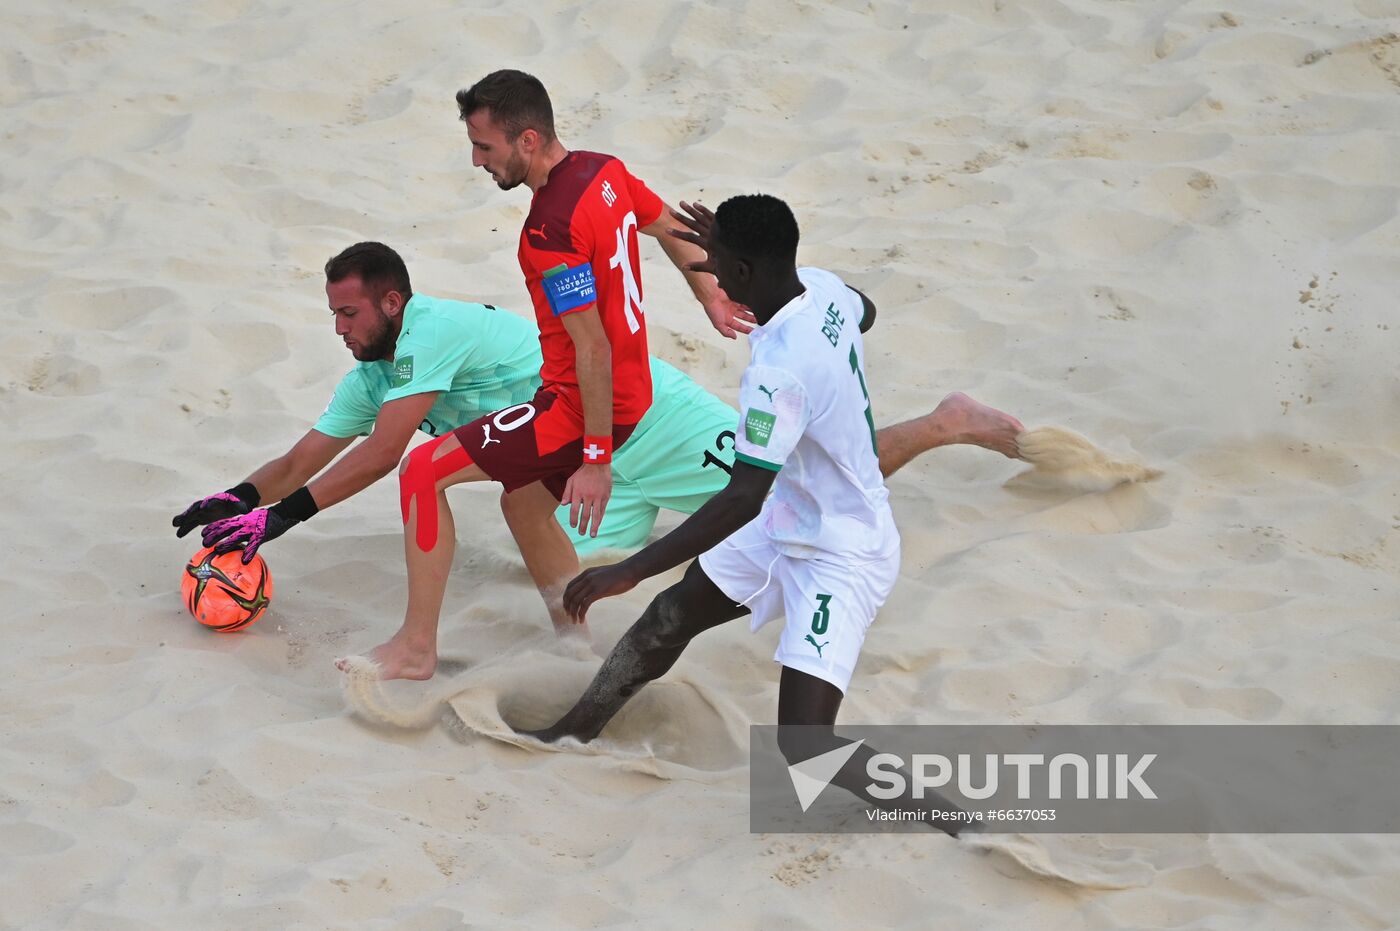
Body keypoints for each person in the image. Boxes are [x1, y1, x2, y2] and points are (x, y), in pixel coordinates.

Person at [173, 242, 1023, 678]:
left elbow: (387, 457)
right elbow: (306, 456)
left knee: (799, 482)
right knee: (519, 503)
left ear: (391, 301)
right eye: (332, 314)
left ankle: (944, 422)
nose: (339, 327)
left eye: (349, 311)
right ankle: (573, 638)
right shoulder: (379, 372)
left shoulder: (431, 330)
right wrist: (234, 500)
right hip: (575, 449)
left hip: (641, 415)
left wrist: (276, 522)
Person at [521, 195, 978, 832]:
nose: (703, 265)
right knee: (668, 619)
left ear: (740, 274)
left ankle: (963, 824)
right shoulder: (820, 289)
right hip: (790, 519)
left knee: (807, 750)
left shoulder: (780, 372)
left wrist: (630, 570)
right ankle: (573, 732)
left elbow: (742, 497)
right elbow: (863, 309)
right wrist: (737, 249)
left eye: (714, 261)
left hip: (842, 551)